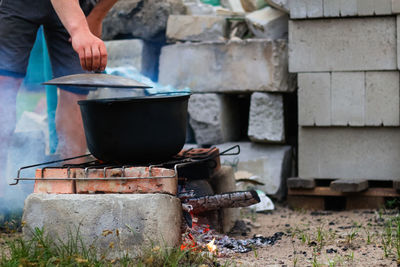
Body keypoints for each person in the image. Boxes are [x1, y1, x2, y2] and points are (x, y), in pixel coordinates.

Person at [0, 0, 117, 196]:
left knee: (77, 86)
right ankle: (1, 193)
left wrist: (96, 16)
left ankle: (72, 189)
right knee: (5, 85)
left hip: (79, 4)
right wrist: (79, 30)